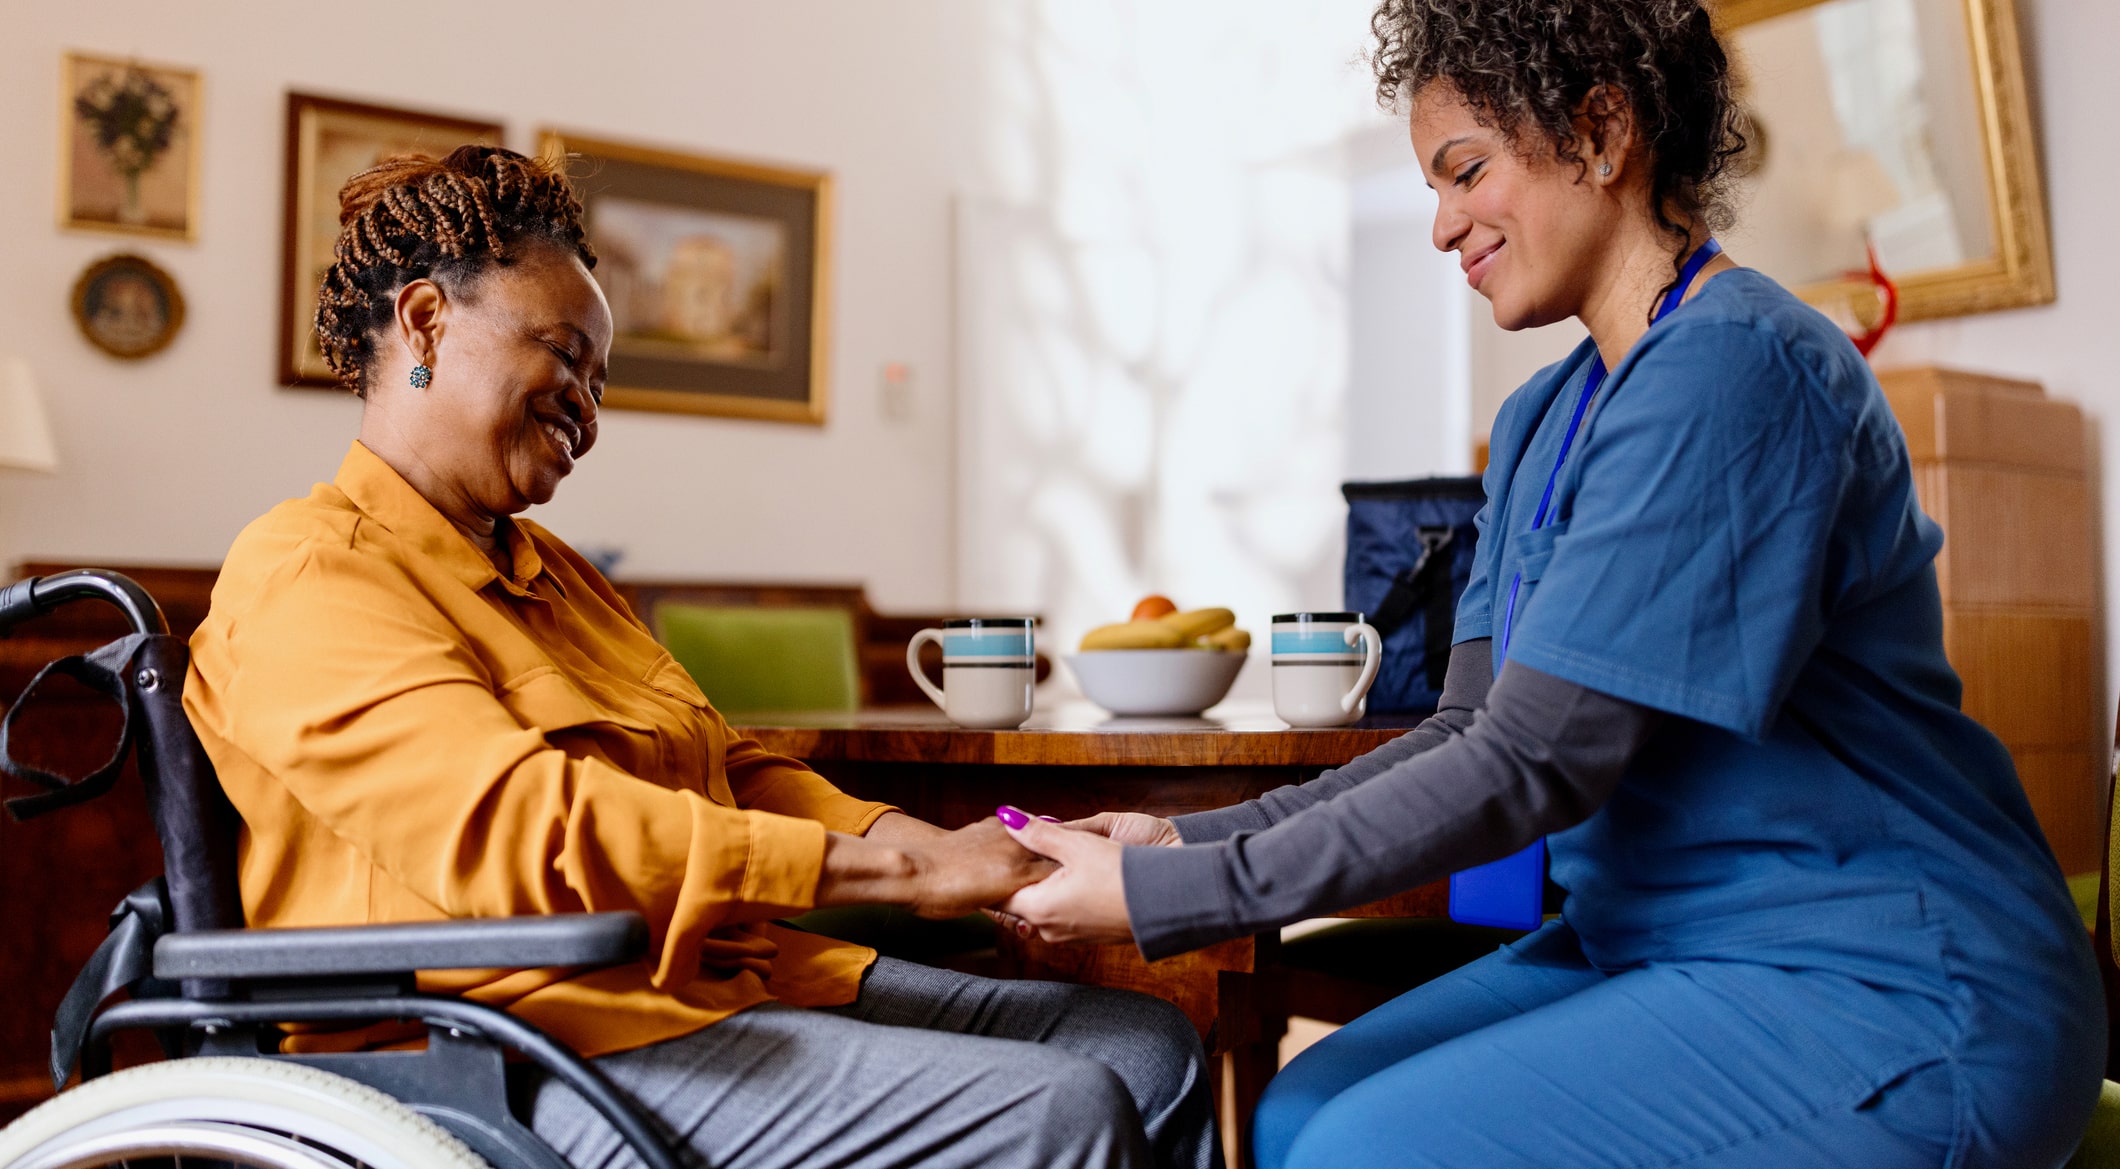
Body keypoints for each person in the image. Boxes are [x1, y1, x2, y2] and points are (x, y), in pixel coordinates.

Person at [991, 2, 2104, 1166]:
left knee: (1357, 1151)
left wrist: (1184, 895)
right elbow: (1470, 727)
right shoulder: (1538, 419)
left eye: (1463, 172)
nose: (1437, 226)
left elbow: (1535, 758)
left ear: (1602, 129)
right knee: (1294, 1111)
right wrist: (1182, 842)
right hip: (1656, 938)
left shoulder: (1736, 366)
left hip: (1893, 978)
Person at [183, 145, 1218, 1169]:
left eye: (599, 376)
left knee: (1144, 1044)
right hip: (498, 1040)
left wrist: (965, 854)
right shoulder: (307, 571)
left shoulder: (557, 575)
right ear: (424, 320)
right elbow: (520, 828)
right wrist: (902, 871)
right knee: (1059, 1108)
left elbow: (736, 769)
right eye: (560, 352)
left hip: (702, 981)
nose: (587, 407)